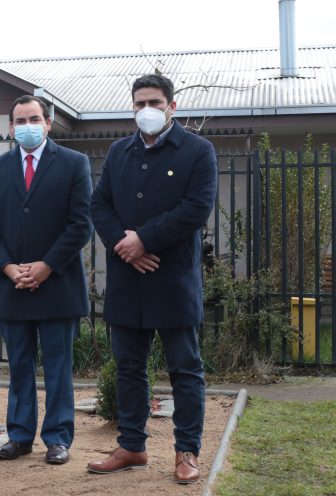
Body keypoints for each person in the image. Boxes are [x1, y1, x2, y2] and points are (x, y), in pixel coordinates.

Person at [87, 74, 217, 484]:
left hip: (173, 280)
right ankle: (131, 446)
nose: (148, 110)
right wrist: (123, 245)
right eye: (140, 103)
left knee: (185, 369)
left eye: (156, 102)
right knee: (128, 367)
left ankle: (187, 452)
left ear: (172, 107)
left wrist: (144, 239)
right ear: (132, 107)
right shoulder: (118, 151)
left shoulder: (199, 150)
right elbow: (100, 204)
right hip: (128, 280)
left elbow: (196, 208)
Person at [0, 96, 93, 465]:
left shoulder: (75, 164)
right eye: (20, 120)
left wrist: (47, 266)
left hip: (57, 285)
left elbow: (80, 225)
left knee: (58, 367)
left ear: (48, 123)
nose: (27, 125)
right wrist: (9, 268)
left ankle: (58, 439)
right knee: (19, 367)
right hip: (12, 286)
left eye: (34, 118)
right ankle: (20, 436)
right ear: (10, 127)